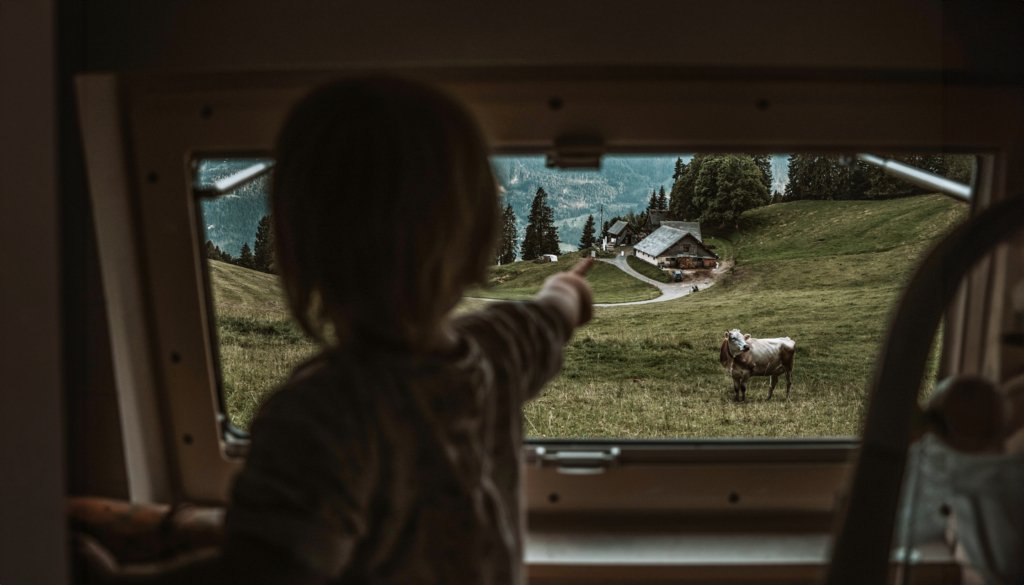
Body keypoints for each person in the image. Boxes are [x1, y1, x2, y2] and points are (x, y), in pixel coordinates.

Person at [75, 76, 593, 585]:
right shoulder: (500, 347)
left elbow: (262, 572)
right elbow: (556, 311)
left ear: (300, 250)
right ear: (480, 238)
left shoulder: (321, 416)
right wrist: (569, 285)